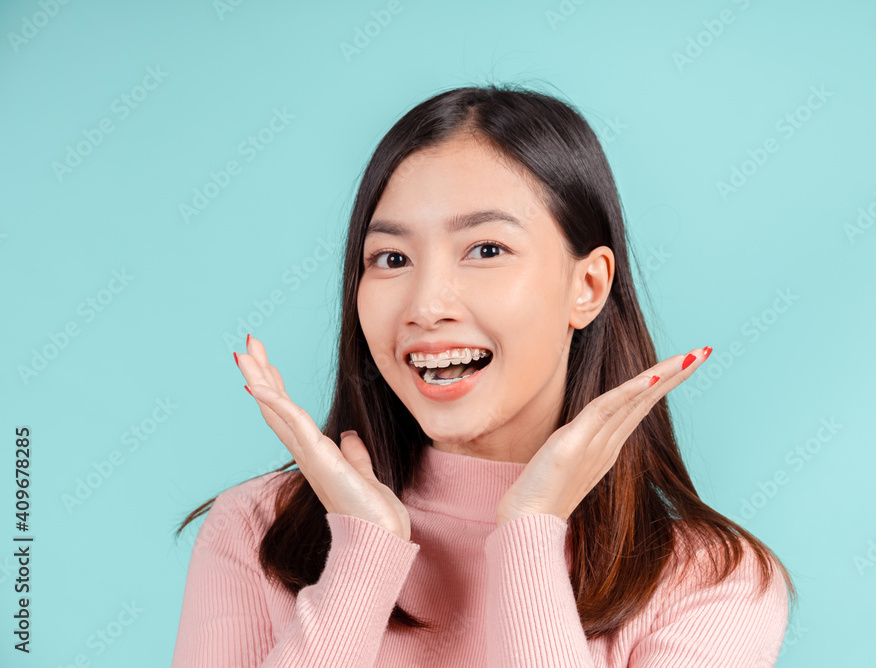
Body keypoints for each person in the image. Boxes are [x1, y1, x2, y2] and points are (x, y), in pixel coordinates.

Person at [170, 83, 797, 667]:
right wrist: (361, 555)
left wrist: (531, 531)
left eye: (486, 250)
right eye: (391, 258)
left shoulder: (714, 581)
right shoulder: (258, 531)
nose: (425, 305)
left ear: (588, 285)